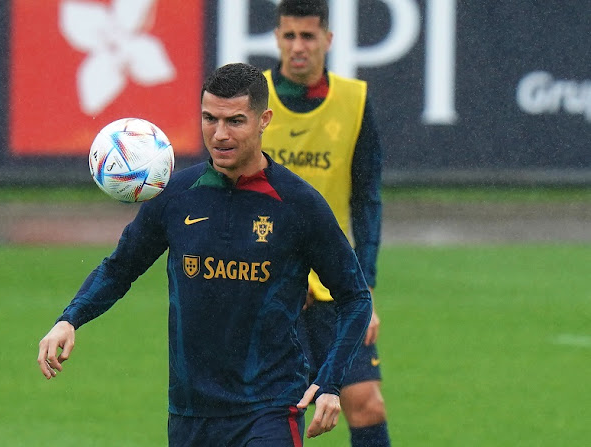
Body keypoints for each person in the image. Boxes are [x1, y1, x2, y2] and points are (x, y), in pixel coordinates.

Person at [37, 62, 372, 446]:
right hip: (190, 413)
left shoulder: (298, 205)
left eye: (235, 121)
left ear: (264, 120)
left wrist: (330, 381)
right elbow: (120, 269)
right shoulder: (176, 197)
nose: (220, 134)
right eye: (209, 118)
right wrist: (70, 319)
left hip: (270, 408)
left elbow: (355, 297)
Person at [261, 1, 391, 446]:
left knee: (366, 403)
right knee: (281, 414)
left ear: (328, 40)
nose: (299, 47)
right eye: (290, 36)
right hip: (269, 284)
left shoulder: (354, 101)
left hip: (335, 282)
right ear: (277, 38)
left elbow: (367, 199)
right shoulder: (251, 101)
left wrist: (366, 287)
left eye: (309, 36)